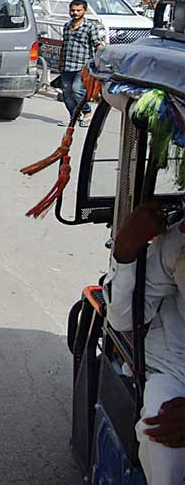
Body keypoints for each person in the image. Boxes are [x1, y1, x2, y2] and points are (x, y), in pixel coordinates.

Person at [106, 205, 185, 485]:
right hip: (176, 369)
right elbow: (124, 318)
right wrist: (125, 252)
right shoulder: (178, 242)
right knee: (161, 439)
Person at [59, 0, 104, 127]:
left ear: (85, 11)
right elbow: (64, 45)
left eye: (78, 10)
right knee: (66, 93)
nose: (75, 13)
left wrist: (104, 59)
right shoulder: (67, 26)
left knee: (77, 90)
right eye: (73, 10)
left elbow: (97, 45)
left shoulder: (90, 27)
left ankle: (87, 113)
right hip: (67, 65)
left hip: (83, 65)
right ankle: (74, 117)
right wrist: (60, 61)